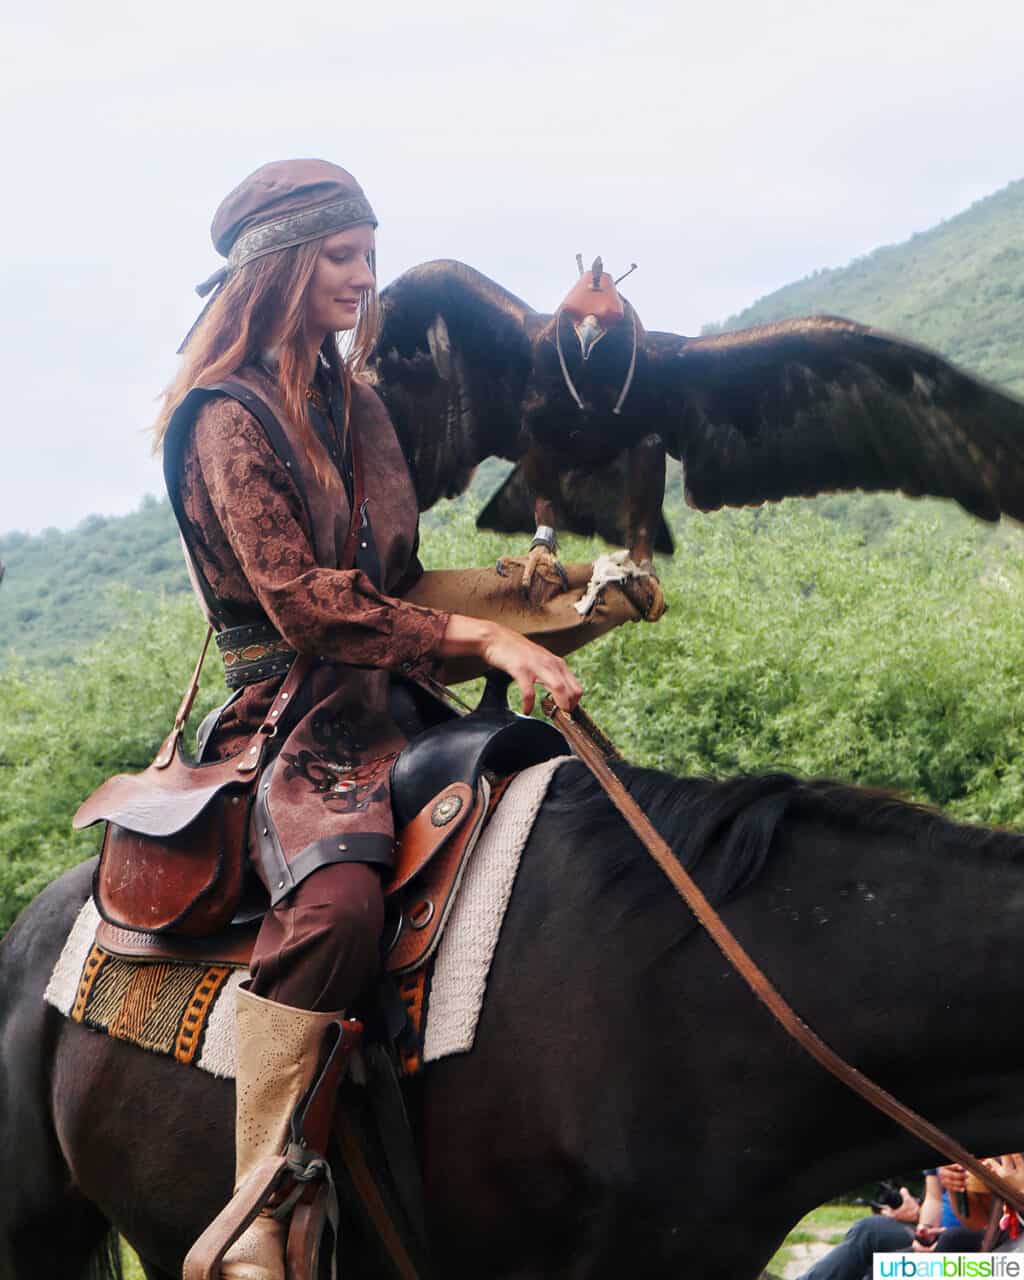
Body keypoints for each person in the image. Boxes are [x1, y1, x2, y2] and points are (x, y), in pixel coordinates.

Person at [154, 158, 582, 1280]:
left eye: (367, 252)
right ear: (279, 269)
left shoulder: (361, 407)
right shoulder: (224, 417)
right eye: (340, 256)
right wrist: (481, 639)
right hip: (292, 721)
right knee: (342, 907)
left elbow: (394, 580)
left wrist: (535, 604)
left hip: (394, 696)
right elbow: (303, 602)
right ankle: (258, 1203)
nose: (362, 275)